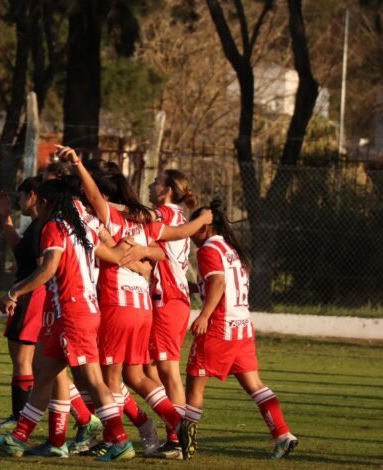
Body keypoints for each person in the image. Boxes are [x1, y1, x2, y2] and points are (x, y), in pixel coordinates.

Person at [57, 146, 210, 458]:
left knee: (107, 378)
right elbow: (170, 239)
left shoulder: (110, 217)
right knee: (131, 375)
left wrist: (77, 165)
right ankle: (173, 423)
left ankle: (117, 440)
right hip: (142, 308)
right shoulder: (146, 219)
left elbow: (96, 199)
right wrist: (203, 219)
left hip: (116, 305)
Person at [0, 179, 140, 462]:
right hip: (74, 313)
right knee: (43, 373)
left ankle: (119, 441)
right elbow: (115, 255)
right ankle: (18, 439)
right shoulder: (81, 228)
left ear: (45, 202)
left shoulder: (54, 227)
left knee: (93, 381)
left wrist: (14, 292)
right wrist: (129, 245)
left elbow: (48, 269)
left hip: (73, 314)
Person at [181, 200, 298, 461]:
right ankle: (282, 435)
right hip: (242, 325)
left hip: (220, 327)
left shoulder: (208, 250)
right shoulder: (230, 248)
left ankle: (185, 446)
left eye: (195, 225)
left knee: (194, 386)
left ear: (205, 227)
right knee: (255, 385)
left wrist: (203, 315)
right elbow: (222, 283)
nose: (191, 231)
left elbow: (219, 283)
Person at [145, 169, 198, 459]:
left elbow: (139, 218)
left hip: (168, 299)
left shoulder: (164, 213)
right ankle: (174, 431)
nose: (152, 185)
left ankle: (178, 439)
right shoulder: (178, 216)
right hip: (173, 298)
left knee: (166, 371)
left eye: (156, 182)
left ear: (166, 190)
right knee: (152, 369)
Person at [0, 177, 46, 431]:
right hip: (26, 294)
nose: (20, 202)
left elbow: (42, 268)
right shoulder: (35, 226)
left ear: (33, 195)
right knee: (29, 360)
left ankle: (21, 418)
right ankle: (19, 416)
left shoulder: (42, 227)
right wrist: (5, 217)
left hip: (32, 296)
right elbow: (19, 247)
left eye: (22, 196)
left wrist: (17, 293)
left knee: (26, 358)